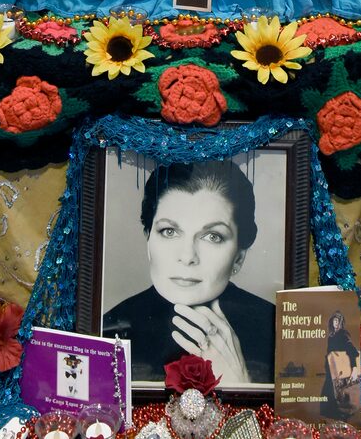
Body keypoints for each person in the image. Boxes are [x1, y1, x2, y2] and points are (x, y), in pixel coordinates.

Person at [102, 160, 276, 384]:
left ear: (239, 257)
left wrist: (242, 383)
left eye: (213, 236)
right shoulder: (108, 330)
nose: (187, 256)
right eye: (169, 231)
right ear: (148, 240)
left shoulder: (277, 331)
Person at [320, 309, 360, 420]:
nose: (335, 323)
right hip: (331, 370)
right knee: (329, 394)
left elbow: (351, 350)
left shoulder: (343, 334)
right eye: (334, 321)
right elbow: (330, 353)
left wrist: (354, 368)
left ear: (341, 322)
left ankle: (343, 417)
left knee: (342, 393)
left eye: (337, 321)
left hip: (343, 370)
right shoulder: (331, 336)